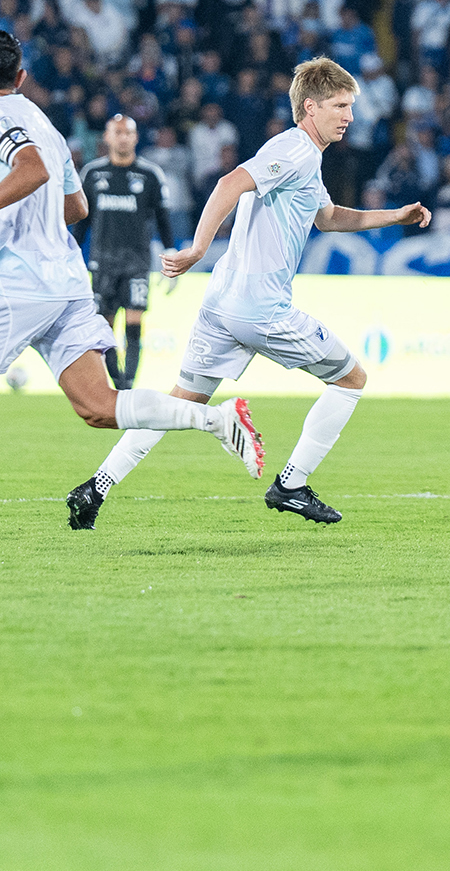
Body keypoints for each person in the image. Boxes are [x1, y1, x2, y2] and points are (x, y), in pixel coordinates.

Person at [0, 31, 262, 555]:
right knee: (98, 406)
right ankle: (217, 419)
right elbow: (75, 207)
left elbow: (31, 169)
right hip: (66, 283)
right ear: (21, 77)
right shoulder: (43, 123)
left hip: (21, 283)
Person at [65, 58, 431, 530]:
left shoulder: (304, 156)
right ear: (311, 107)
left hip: (221, 304)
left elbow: (327, 217)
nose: (350, 116)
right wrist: (198, 248)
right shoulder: (296, 150)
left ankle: (95, 487)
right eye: (340, 106)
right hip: (260, 309)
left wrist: (395, 215)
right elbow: (229, 183)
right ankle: (292, 484)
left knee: (182, 402)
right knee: (351, 379)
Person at [74, 114, 174, 391]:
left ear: (135, 137)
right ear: (106, 137)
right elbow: (81, 222)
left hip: (136, 262)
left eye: (128, 133)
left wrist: (170, 254)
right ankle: (117, 383)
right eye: (117, 132)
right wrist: (70, 257)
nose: (123, 138)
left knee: (134, 322)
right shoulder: (92, 174)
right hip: (102, 262)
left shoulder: (150, 175)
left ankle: (128, 385)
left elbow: (163, 219)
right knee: (104, 327)